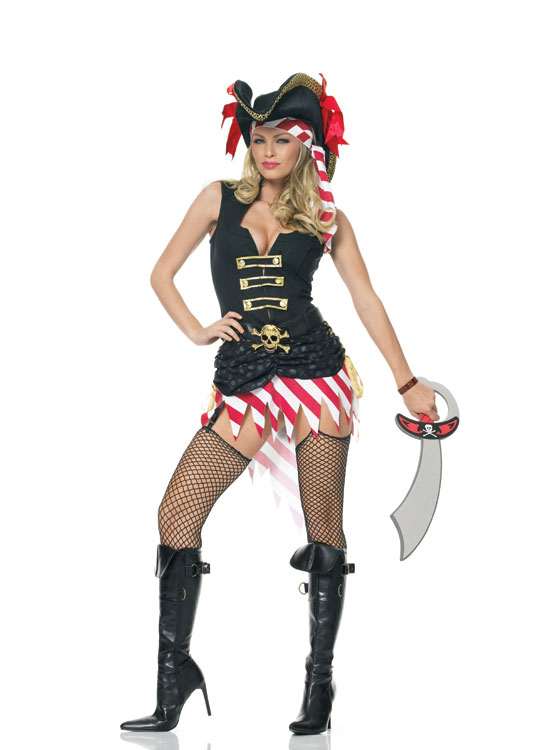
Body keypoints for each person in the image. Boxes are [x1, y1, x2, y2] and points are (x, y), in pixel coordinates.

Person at [120, 72, 439, 735]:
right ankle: (174, 677)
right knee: (177, 511)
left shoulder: (325, 217)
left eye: (281, 140)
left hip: (316, 375)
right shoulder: (217, 198)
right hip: (245, 376)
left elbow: (365, 298)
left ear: (305, 147)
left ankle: (319, 685)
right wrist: (197, 329)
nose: (267, 152)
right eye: (258, 138)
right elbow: (160, 273)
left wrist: (407, 381)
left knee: (323, 529)